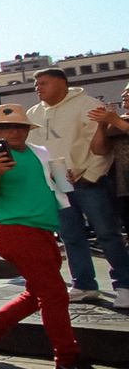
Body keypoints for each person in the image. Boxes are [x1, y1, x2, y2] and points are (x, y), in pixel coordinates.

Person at [0, 104, 106, 369]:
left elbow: (44, 183)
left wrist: (62, 179)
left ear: (28, 129)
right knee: (54, 294)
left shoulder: (38, 153)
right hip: (15, 230)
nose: (14, 132)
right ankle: (67, 359)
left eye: (19, 126)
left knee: (38, 292)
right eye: (6, 127)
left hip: (42, 230)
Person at [30, 68, 129, 308]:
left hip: (89, 181)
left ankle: (125, 285)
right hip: (57, 184)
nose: (37, 88)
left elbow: (101, 145)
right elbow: (34, 150)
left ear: (61, 84)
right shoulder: (33, 113)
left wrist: (92, 175)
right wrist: (46, 180)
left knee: (107, 234)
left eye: (43, 83)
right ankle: (84, 284)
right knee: (71, 236)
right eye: (36, 84)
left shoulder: (87, 104)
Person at [88, 84, 129, 248]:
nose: (124, 94)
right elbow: (99, 149)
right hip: (123, 185)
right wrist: (102, 125)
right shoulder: (120, 121)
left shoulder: (119, 121)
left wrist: (115, 121)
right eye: (124, 91)